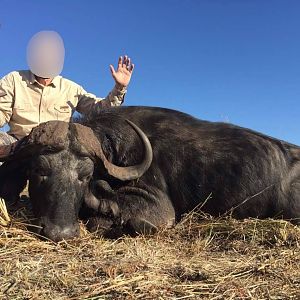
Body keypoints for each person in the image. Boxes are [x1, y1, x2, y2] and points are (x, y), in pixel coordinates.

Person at [0, 31, 134, 158]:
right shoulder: (13, 79)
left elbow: (99, 109)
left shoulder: (71, 88)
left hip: (57, 151)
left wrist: (119, 87)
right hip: (18, 145)